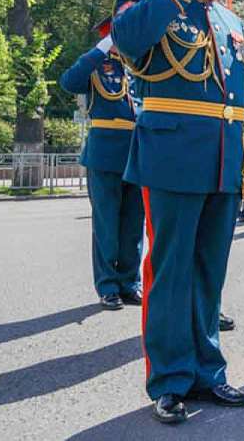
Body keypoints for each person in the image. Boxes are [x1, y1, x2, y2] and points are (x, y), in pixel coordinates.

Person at [111, 0, 244, 423]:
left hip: (224, 157)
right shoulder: (148, 1)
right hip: (173, 154)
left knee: (209, 272)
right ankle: (171, 379)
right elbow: (128, 42)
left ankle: (208, 373)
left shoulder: (227, 17)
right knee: (171, 270)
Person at [59, 17, 143, 311]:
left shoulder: (139, 65)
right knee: (107, 224)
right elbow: (69, 82)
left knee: (134, 225)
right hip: (105, 153)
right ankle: (108, 286)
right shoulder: (96, 65)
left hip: (138, 153)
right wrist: (100, 49)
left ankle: (130, 283)